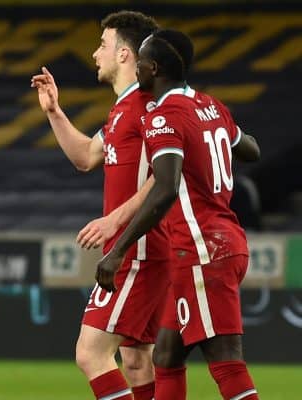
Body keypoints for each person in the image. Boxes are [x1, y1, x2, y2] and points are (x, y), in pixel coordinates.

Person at [95, 29, 261, 400]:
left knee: (226, 361)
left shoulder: (164, 116)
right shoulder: (211, 106)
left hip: (203, 247)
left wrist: (118, 248)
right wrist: (219, 131)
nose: (135, 70)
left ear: (153, 68)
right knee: (167, 354)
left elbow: (165, 188)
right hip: (217, 242)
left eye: (139, 64)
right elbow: (250, 149)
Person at [31, 11, 169, 400]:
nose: (95, 54)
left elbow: (167, 173)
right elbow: (84, 157)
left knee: (90, 354)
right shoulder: (124, 109)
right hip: (138, 249)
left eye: (102, 45)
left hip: (139, 249)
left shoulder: (148, 105)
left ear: (125, 54)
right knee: (138, 360)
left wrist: (115, 219)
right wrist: (54, 112)